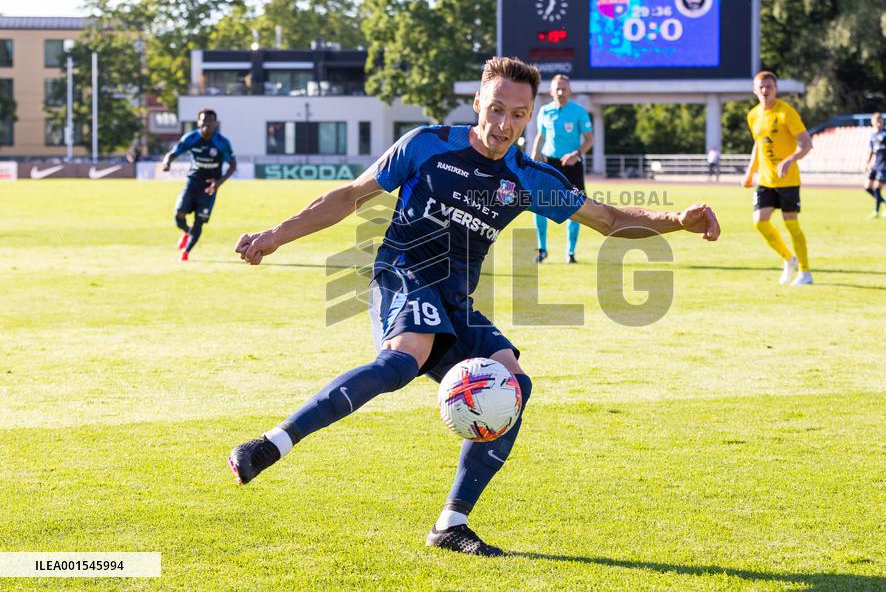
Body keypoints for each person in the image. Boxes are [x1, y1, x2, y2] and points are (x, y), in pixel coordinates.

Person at [227, 56, 720, 557]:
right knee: (402, 359)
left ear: (531, 116)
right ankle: (270, 444)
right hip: (403, 272)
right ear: (478, 103)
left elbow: (610, 220)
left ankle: (450, 524)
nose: (505, 125)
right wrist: (274, 236)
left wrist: (677, 218)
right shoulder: (428, 145)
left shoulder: (528, 177)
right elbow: (350, 197)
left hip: (455, 300)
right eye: (497, 109)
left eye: (519, 115)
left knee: (514, 384)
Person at [741, 71, 814, 286]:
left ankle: (805, 272)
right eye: (761, 87)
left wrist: (791, 160)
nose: (765, 90)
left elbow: (806, 143)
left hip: (788, 181)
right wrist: (749, 171)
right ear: (755, 90)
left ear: (776, 88)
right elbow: (759, 145)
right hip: (765, 180)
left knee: (791, 225)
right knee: (760, 223)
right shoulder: (753, 115)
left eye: (769, 86)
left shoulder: (786, 113)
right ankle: (788, 259)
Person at [530, 74, 593, 263]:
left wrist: (577, 154)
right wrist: (534, 155)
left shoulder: (579, 111)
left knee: (576, 207)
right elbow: (540, 136)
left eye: (563, 88)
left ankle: (571, 252)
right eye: (557, 88)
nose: (560, 92)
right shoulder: (544, 111)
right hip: (550, 163)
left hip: (572, 164)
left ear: (570, 90)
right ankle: (542, 249)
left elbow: (589, 139)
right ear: (550, 91)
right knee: (538, 205)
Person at [162, 109, 236, 261]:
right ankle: (187, 232)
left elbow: (232, 165)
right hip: (193, 183)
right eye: (204, 121)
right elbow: (173, 153)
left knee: (199, 221)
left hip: (209, 188)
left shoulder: (222, 142)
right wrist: (167, 162)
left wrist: (219, 182)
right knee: (179, 215)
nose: (207, 124)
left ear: (215, 124)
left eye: (210, 121)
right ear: (198, 122)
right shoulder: (191, 138)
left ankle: (186, 252)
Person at [864, 112, 886, 218]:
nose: (878, 122)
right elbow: (871, 151)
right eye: (876, 120)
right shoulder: (872, 135)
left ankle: (876, 212)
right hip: (875, 165)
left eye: (880, 120)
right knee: (867, 187)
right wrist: (867, 163)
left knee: (877, 188)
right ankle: (885, 203)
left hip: (884, 165)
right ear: (872, 122)